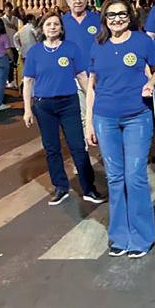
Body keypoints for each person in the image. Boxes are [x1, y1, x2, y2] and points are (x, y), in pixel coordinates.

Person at [86, 0, 155, 258]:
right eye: (111, 15)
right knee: (115, 178)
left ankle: (142, 237)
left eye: (122, 14)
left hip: (137, 117)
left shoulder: (142, 41)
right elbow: (92, 86)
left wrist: (150, 83)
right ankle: (119, 236)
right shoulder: (98, 44)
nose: (117, 19)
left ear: (130, 16)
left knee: (135, 176)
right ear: (105, 19)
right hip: (104, 118)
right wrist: (89, 122)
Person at [22, 12, 105, 206]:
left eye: (56, 24)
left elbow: (82, 77)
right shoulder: (34, 52)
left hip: (69, 103)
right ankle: (60, 187)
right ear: (42, 29)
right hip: (44, 106)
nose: (52, 27)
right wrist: (27, 109)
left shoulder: (71, 48)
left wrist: (93, 101)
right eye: (48, 24)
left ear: (61, 28)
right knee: (52, 148)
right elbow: (28, 82)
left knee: (78, 146)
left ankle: (89, 188)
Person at [62, 0, 101, 126]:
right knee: (84, 118)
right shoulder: (61, 23)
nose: (78, 1)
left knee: (102, 114)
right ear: (68, 2)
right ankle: (86, 140)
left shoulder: (97, 19)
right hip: (75, 78)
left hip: (99, 76)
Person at [13, 14, 39, 90]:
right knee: (35, 70)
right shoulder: (31, 27)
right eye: (34, 19)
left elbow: (15, 37)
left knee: (27, 70)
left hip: (24, 52)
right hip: (34, 52)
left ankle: (25, 86)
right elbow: (37, 35)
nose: (35, 21)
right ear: (30, 20)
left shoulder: (22, 29)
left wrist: (19, 48)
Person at [2, 2, 19, 88]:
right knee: (9, 64)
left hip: (15, 44)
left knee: (17, 63)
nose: (8, 10)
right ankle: (10, 80)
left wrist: (13, 26)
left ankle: (17, 81)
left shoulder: (16, 19)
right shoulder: (2, 19)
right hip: (6, 45)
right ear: (4, 9)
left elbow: (19, 29)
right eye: (7, 8)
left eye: (10, 8)